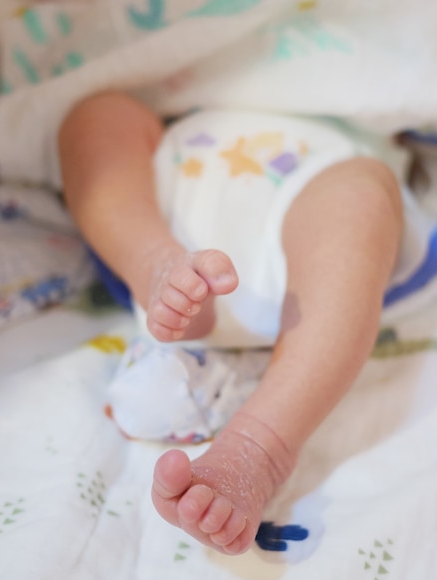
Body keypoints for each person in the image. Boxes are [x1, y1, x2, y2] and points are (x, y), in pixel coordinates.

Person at [58, 90, 403, 555]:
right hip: (176, 175)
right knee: (95, 116)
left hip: (319, 178)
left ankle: (259, 445)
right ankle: (156, 263)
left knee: (363, 195)